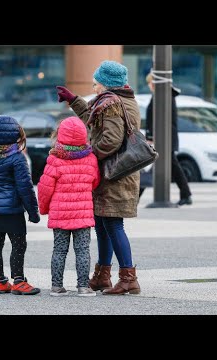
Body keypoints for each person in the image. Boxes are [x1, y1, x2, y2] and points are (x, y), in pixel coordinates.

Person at [55, 60, 141, 295]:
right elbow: (93, 119)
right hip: (112, 173)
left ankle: (128, 278)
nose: (94, 88)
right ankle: (102, 276)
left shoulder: (112, 103)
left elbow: (111, 139)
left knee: (113, 224)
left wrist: (90, 157)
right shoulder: (115, 101)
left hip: (114, 174)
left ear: (106, 84)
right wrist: (74, 100)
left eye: (96, 84)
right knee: (103, 225)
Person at [38, 116, 101, 297]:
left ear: (59, 135)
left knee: (59, 250)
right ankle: (83, 286)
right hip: (82, 214)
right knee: (82, 251)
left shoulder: (55, 159)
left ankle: (56, 286)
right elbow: (95, 182)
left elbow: (44, 188)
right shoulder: (90, 158)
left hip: (60, 214)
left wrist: (44, 208)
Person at [0, 115, 41, 295]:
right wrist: (33, 211)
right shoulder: (17, 158)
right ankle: (19, 281)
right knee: (18, 245)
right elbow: (25, 187)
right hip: (12, 208)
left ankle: (0, 282)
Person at [144, 71, 193, 206]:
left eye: (149, 82)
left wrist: (150, 136)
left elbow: (156, 118)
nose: (148, 85)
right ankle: (186, 194)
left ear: (154, 83)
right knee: (170, 166)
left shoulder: (163, 95)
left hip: (164, 138)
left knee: (149, 165)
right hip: (165, 137)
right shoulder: (164, 95)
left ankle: (186, 194)